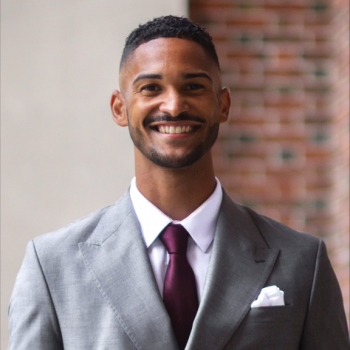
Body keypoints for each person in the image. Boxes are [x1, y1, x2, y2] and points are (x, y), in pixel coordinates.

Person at [8, 16, 349, 350]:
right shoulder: (52, 265)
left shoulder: (303, 261)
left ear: (223, 104)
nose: (173, 106)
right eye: (151, 88)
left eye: (194, 87)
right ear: (119, 108)